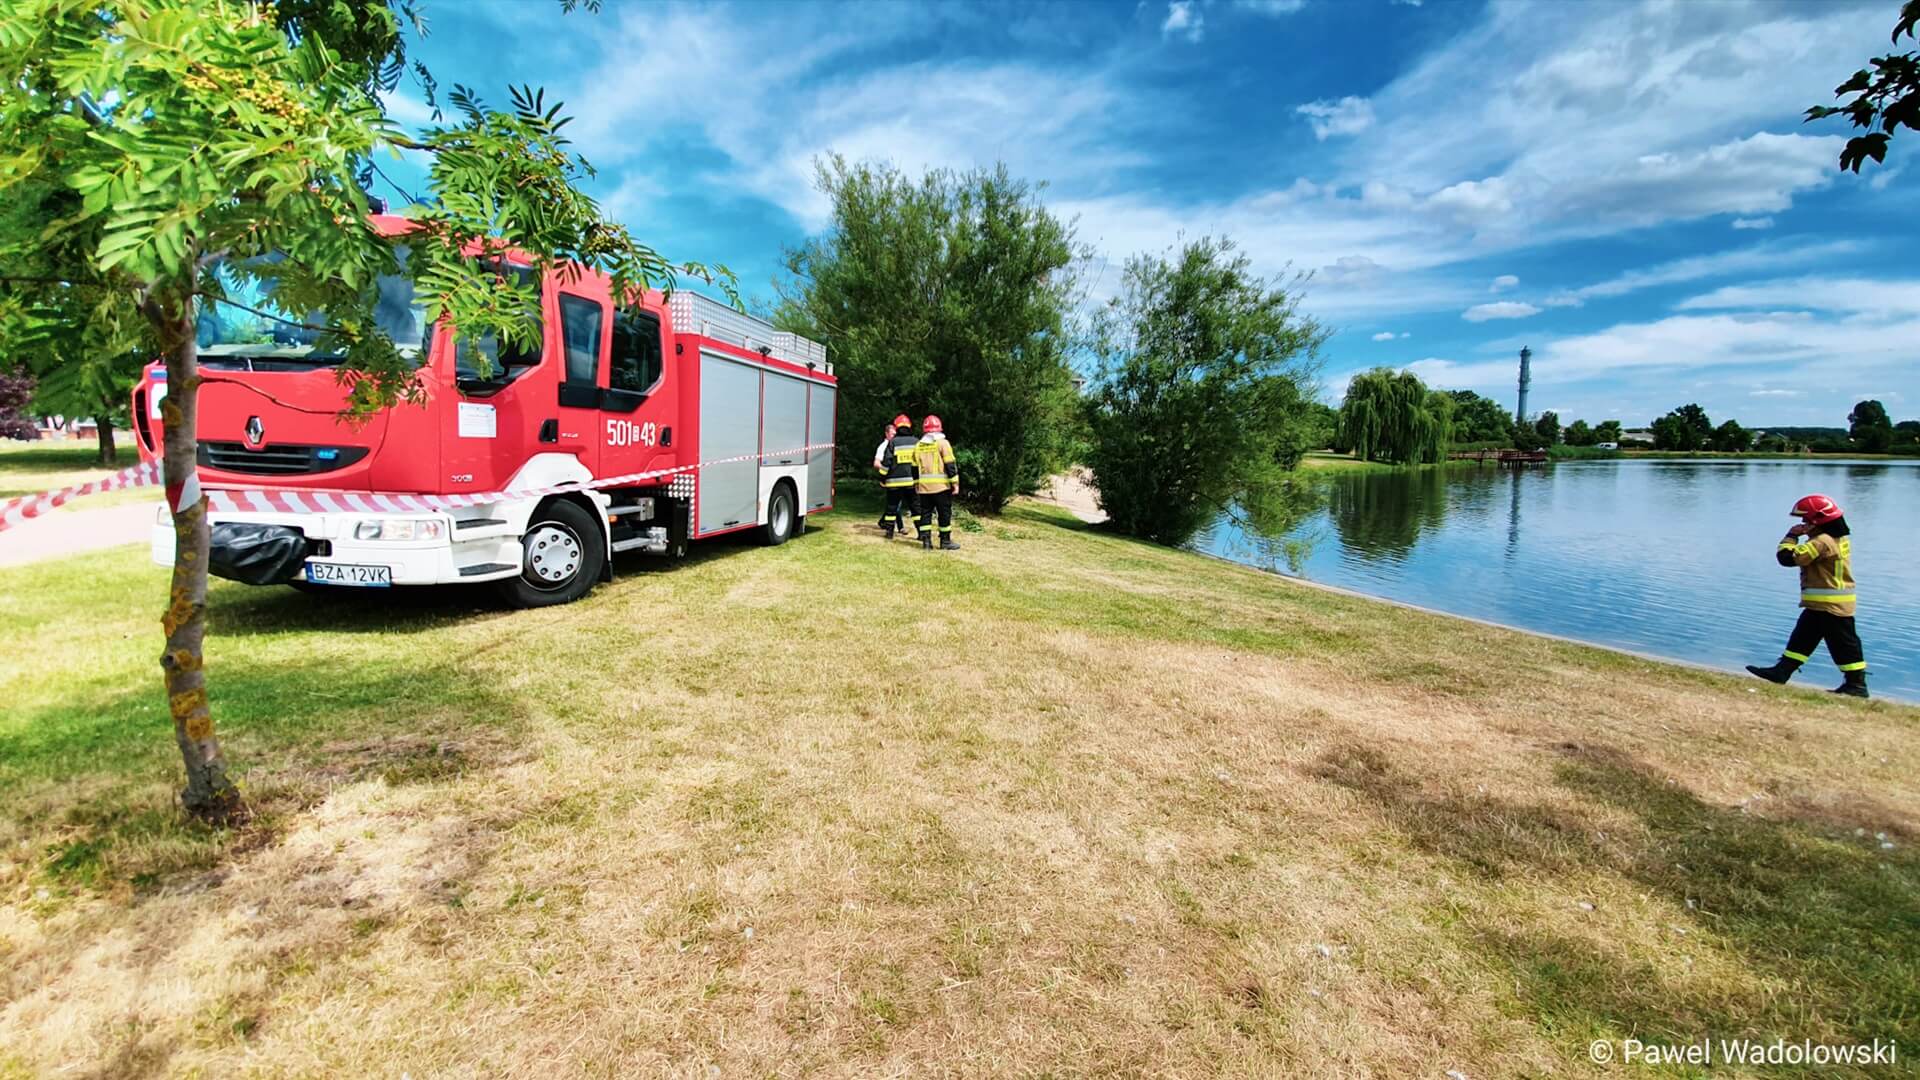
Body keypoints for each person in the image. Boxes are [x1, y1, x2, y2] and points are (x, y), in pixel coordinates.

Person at [1746, 493, 1868, 698]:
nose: (1804, 522)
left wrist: (1791, 536)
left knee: (1844, 645)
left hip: (1831, 605)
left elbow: (1787, 558)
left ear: (1819, 520)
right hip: (1823, 604)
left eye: (1807, 519)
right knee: (1803, 638)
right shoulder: (1835, 538)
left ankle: (1856, 685)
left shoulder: (1822, 542)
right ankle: (1782, 671)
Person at [912, 414, 960, 550]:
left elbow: (914, 467)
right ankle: (945, 541)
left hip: (924, 488)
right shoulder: (943, 443)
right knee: (944, 514)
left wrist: (916, 484)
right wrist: (955, 483)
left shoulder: (918, 445)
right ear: (939, 428)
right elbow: (950, 464)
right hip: (941, 487)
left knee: (925, 514)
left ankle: (926, 542)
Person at [872, 414, 919, 538]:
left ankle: (889, 533)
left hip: (894, 483)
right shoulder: (916, 442)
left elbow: (887, 462)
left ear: (897, 428)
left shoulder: (893, 442)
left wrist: (882, 478)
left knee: (891, 508)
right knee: (915, 508)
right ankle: (922, 534)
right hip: (911, 482)